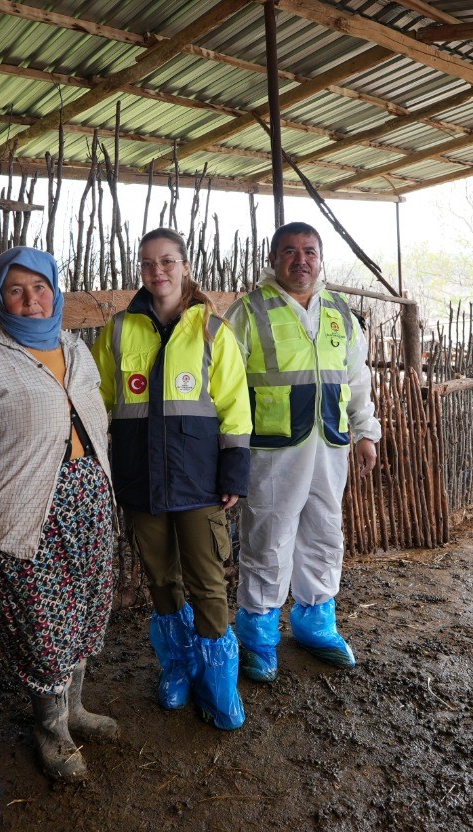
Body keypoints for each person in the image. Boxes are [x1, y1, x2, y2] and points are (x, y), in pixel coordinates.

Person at [0, 246, 116, 781]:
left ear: (56, 291)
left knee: (85, 613)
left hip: (89, 503)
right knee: (42, 629)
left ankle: (76, 710)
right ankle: (51, 731)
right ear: (0, 298)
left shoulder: (77, 350)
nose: (30, 299)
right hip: (23, 515)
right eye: (16, 290)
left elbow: (96, 427)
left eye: (39, 287)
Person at [91, 228, 250, 731]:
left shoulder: (212, 331)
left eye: (167, 262)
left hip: (198, 482)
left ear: (184, 266)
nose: (157, 271)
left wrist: (234, 473)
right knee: (161, 580)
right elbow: (98, 405)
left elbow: (235, 410)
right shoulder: (117, 331)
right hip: (141, 481)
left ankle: (219, 684)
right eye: (147, 263)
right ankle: (178, 666)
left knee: (207, 582)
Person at [224, 222, 381, 682]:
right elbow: (226, 387)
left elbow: (357, 380)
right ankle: (258, 635)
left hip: (330, 445)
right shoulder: (248, 312)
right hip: (272, 450)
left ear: (320, 258)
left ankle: (316, 624)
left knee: (325, 531)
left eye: (309, 251)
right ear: (273, 260)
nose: (300, 260)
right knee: (268, 537)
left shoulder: (339, 313)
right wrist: (228, 450)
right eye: (289, 251)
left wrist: (365, 431)